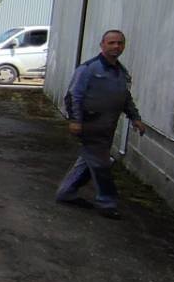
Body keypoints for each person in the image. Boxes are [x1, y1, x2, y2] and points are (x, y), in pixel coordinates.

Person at [56, 29, 147, 218]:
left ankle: (66, 193)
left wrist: (135, 118)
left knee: (89, 162)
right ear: (102, 45)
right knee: (102, 165)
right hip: (90, 125)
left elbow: (125, 98)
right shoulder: (89, 69)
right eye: (111, 43)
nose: (116, 46)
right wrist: (75, 120)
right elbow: (74, 95)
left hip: (107, 127)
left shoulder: (121, 72)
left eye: (120, 43)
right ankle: (107, 203)